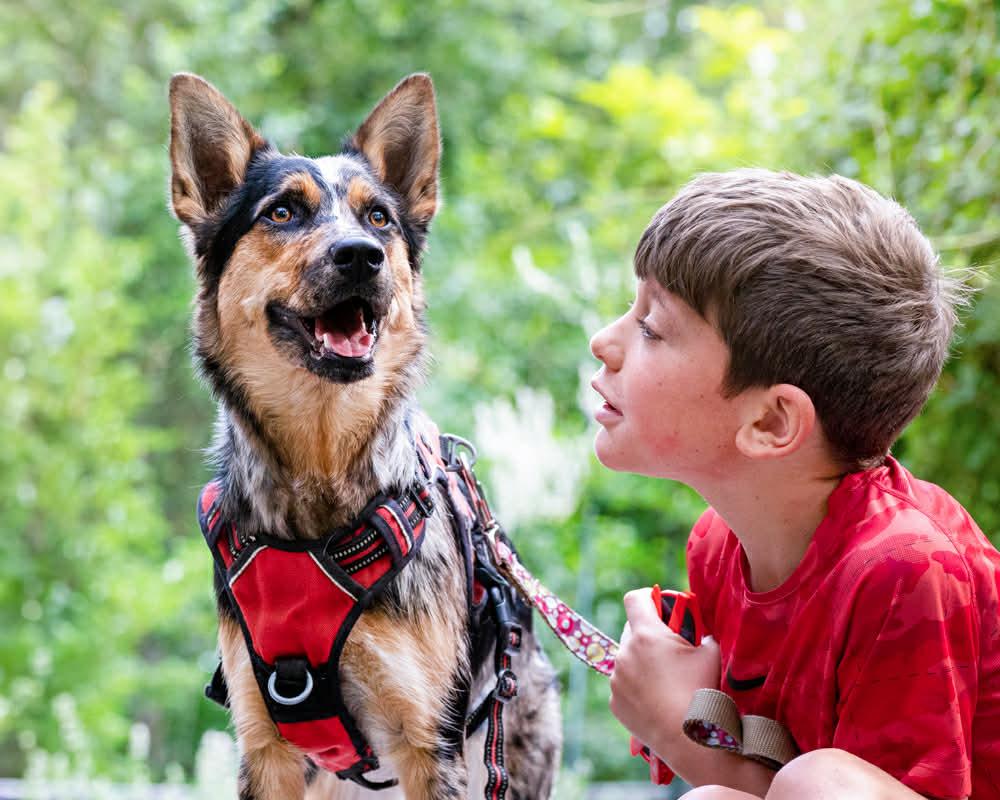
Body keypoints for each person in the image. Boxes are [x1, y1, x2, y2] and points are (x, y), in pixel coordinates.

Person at [590, 169, 1000, 799]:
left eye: (652, 327)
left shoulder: (907, 571)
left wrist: (674, 726)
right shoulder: (719, 545)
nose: (605, 342)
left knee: (817, 783)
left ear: (772, 421)